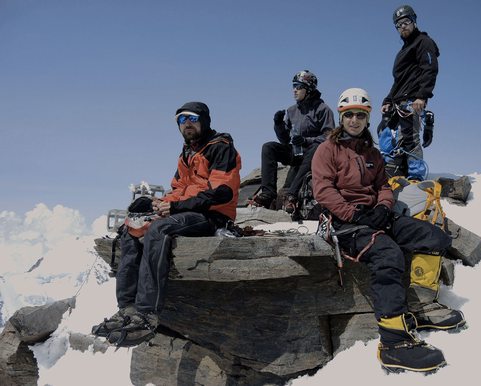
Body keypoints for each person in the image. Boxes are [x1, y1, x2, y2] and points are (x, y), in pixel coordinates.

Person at [312, 88, 465, 373]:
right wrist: (355, 213)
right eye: (349, 115)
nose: (354, 120)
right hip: (346, 223)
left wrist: (383, 207)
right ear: (341, 117)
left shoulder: (371, 152)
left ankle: (420, 308)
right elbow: (323, 191)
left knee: (434, 237)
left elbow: (384, 185)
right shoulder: (327, 150)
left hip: (376, 215)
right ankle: (394, 343)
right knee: (388, 254)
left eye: (360, 115)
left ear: (367, 118)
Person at [92, 101, 241, 347]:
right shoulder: (186, 154)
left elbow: (222, 191)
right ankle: (127, 308)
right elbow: (178, 190)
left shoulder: (221, 148)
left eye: (192, 118)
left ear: (204, 120)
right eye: (181, 120)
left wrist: (175, 208)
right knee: (131, 227)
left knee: (158, 230)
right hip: (186, 211)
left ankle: (147, 313)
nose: (187, 124)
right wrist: (155, 204)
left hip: (213, 214)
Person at [251, 70, 335, 213]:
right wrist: (278, 124)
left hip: (313, 154)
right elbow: (284, 140)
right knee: (268, 147)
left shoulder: (323, 109)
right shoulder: (291, 111)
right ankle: (268, 193)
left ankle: (292, 195)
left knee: (316, 147)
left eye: (298, 86)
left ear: (308, 89)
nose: (294, 90)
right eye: (293, 86)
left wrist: (306, 140)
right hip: (296, 153)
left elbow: (330, 136)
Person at [378, 4, 439, 180]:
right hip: (398, 100)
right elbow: (399, 81)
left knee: (410, 138)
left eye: (405, 22)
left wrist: (422, 95)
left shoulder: (423, 42)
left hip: (412, 100)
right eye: (398, 25)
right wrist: (387, 100)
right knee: (385, 135)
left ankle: (415, 177)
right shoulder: (403, 51)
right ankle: (391, 172)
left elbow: (430, 69)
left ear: (414, 21)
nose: (402, 26)